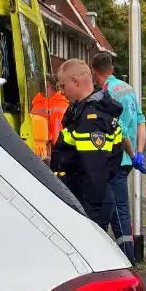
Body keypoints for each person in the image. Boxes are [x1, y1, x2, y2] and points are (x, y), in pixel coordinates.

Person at [49, 59, 123, 227]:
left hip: (90, 203)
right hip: (88, 197)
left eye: (62, 86)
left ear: (75, 82)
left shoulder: (92, 119)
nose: (61, 92)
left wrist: (89, 215)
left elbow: (94, 171)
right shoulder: (86, 110)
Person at [91, 52, 146, 263]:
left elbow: (120, 130)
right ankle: (118, 254)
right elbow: (140, 121)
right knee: (116, 208)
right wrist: (140, 153)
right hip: (129, 160)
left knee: (115, 208)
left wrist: (132, 154)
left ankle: (127, 258)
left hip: (116, 158)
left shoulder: (106, 93)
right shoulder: (128, 88)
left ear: (95, 72)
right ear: (112, 68)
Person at [29, 75, 69, 158]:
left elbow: (60, 130)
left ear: (47, 84)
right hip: (37, 151)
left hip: (55, 151)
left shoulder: (62, 103)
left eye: (39, 83)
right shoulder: (37, 102)